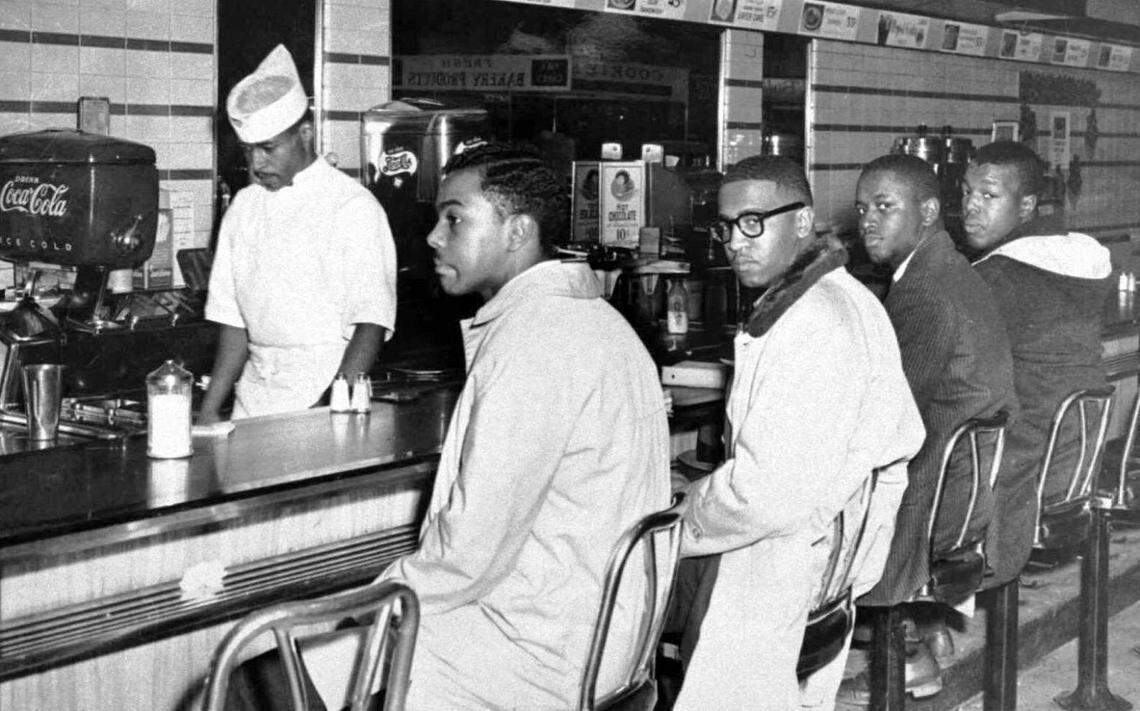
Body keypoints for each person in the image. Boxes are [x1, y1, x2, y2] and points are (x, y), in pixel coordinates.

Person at [224, 143, 671, 710]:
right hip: (602, 642)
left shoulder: (536, 341)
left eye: (455, 219)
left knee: (258, 685)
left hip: (534, 651)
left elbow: (467, 557)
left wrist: (361, 609)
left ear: (518, 231)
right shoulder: (595, 320)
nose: (435, 237)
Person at [668, 155, 925, 709]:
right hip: (825, 564)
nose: (736, 242)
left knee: (599, 577)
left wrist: (680, 514)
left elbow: (762, 497)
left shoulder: (812, 322)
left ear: (803, 221)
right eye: (727, 227)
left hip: (778, 569)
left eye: (753, 223)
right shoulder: (844, 296)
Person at [848, 154, 1017, 700]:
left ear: (926, 211)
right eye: (862, 209)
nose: (868, 221)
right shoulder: (949, 268)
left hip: (933, 498)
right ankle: (924, 630)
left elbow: (891, 417)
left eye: (885, 207)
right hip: (966, 485)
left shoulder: (923, 288)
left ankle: (903, 650)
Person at [200, 45, 397, 421]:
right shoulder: (243, 207)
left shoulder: (352, 206)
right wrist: (208, 412)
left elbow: (370, 324)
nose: (256, 164)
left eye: (268, 148)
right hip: (253, 400)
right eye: (247, 151)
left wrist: (330, 410)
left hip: (324, 390)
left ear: (305, 134)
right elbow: (233, 322)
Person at [962, 141, 1112, 586]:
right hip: (1073, 462)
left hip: (1020, 474)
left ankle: (906, 608)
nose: (971, 207)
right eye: (967, 192)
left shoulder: (996, 277)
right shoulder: (1079, 263)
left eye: (989, 196)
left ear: (1026, 205)